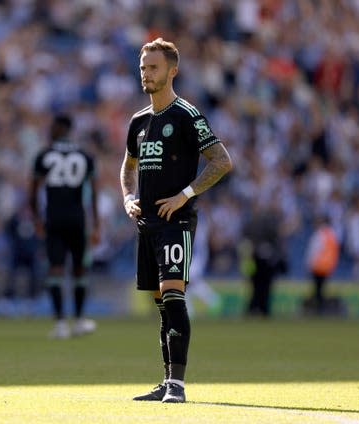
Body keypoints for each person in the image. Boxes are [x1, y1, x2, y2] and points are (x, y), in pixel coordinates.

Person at [120, 38, 232, 403]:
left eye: (152, 68)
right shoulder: (138, 121)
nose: (145, 74)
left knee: (173, 298)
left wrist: (186, 194)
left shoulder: (187, 114)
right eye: (142, 67)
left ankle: (178, 386)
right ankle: (167, 381)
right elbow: (127, 167)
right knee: (161, 305)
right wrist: (127, 197)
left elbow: (221, 160)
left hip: (176, 221)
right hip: (146, 223)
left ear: (172, 71)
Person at [30, 114, 101, 339]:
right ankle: (79, 321)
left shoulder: (43, 155)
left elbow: (32, 191)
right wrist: (96, 223)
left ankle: (60, 323)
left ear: (61, 128)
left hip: (53, 218)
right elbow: (94, 193)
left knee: (56, 268)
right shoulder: (85, 155)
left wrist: (36, 219)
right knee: (79, 268)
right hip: (78, 218)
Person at [240, 203, 288, 318]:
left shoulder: (251, 224)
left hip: (257, 260)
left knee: (258, 287)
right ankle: (261, 309)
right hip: (261, 261)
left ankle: (255, 309)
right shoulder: (266, 224)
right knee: (261, 287)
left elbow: (245, 241)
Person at [304, 213, 339, 315]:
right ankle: (320, 308)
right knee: (321, 290)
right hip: (327, 267)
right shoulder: (332, 234)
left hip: (318, 266)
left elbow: (313, 251)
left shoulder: (319, 234)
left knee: (317, 290)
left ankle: (318, 309)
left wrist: (308, 264)